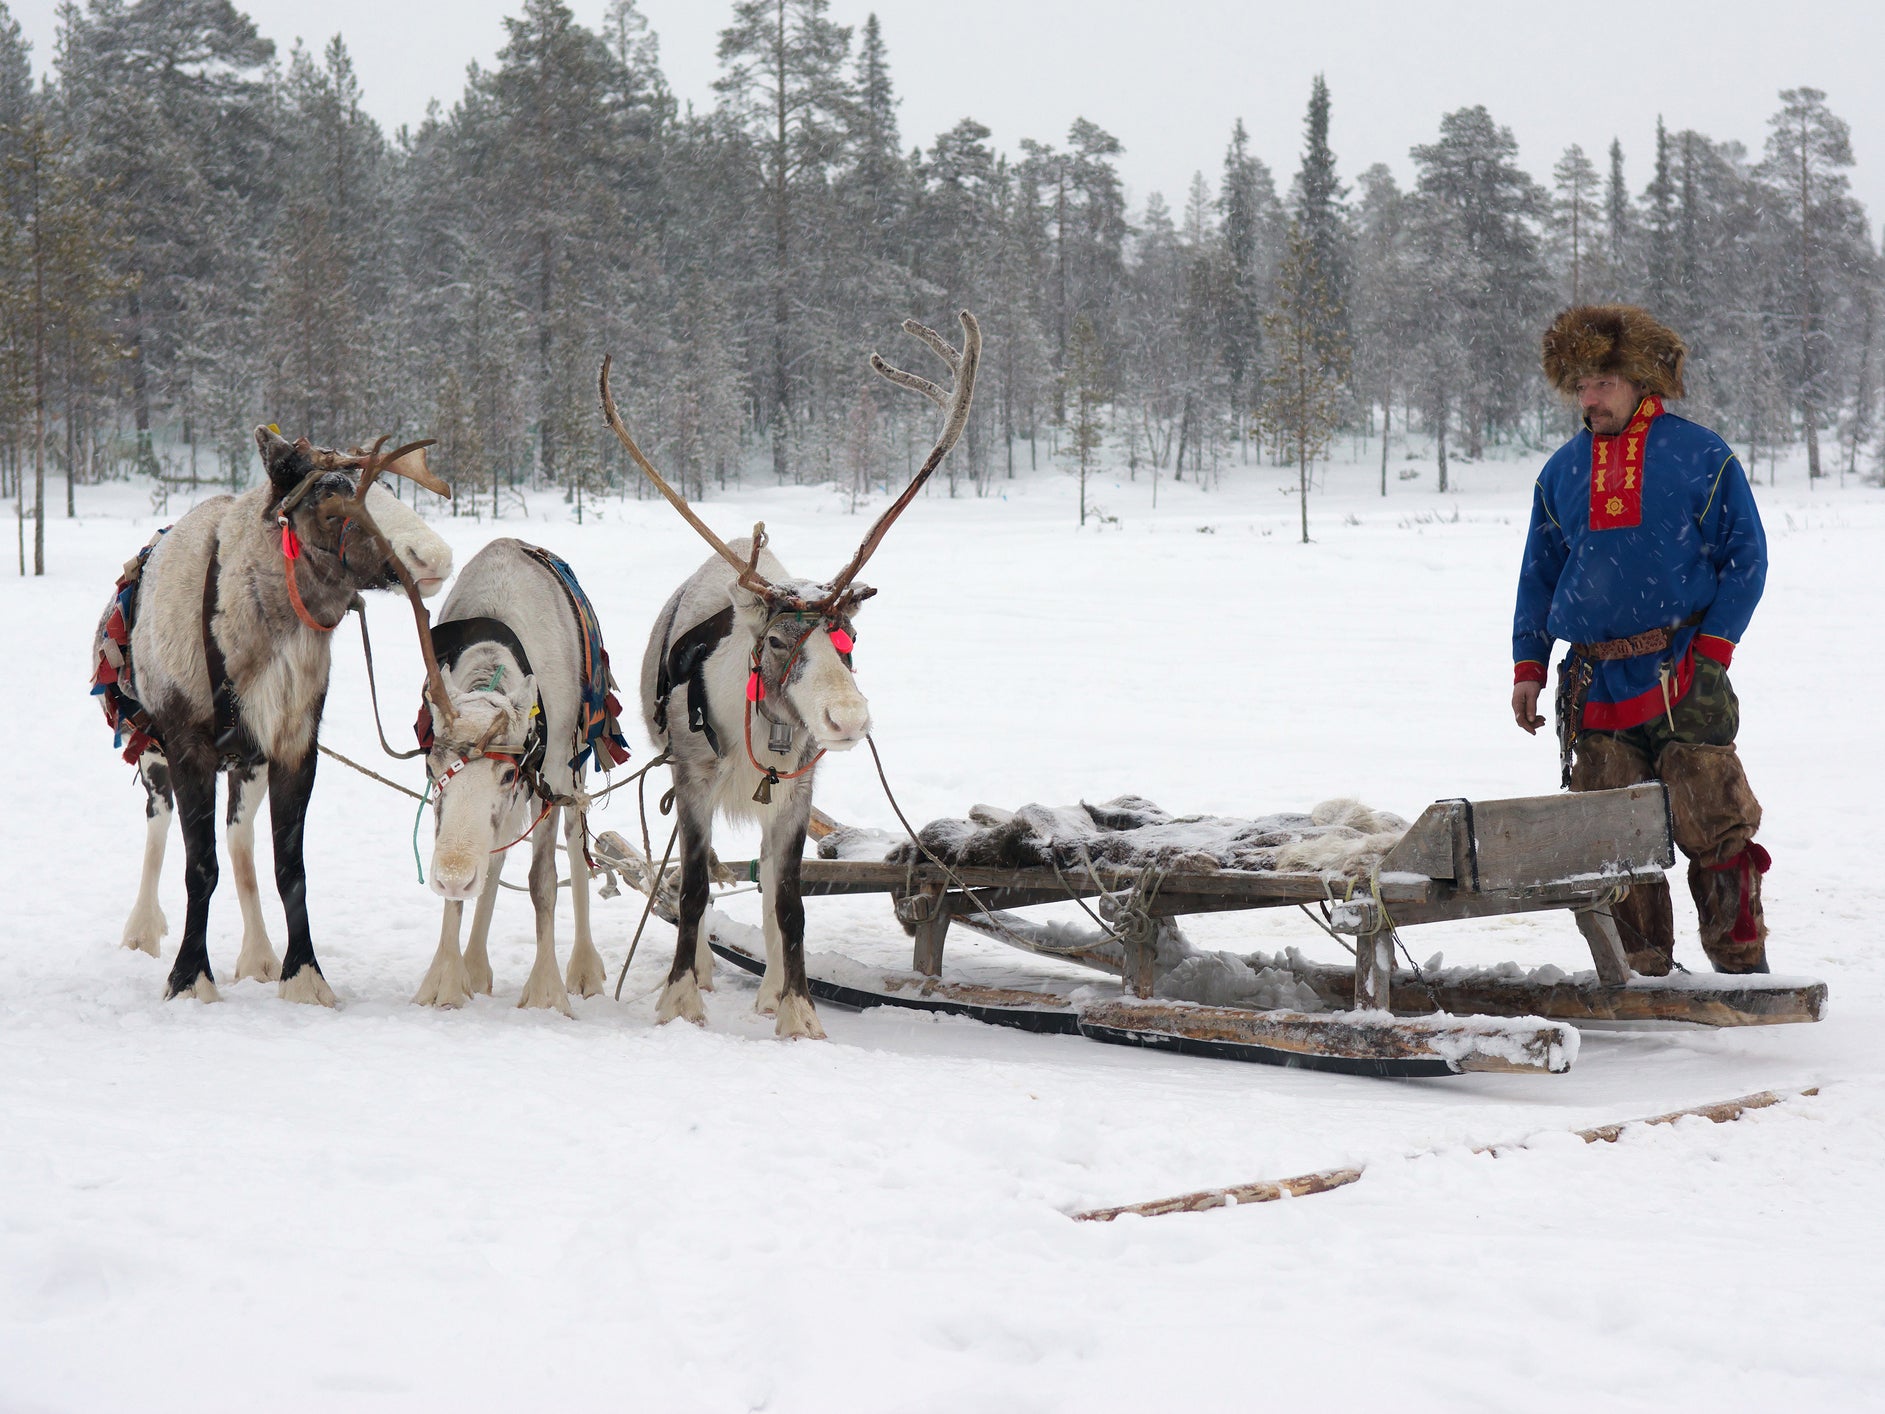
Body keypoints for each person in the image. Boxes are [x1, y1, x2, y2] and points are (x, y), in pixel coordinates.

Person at [1511, 305, 1770, 975]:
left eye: (1599, 382)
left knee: (1711, 824)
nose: (1586, 398)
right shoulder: (1560, 471)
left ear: (1636, 381)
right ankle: (1641, 981)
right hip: (1593, 682)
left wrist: (1712, 651)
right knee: (1611, 840)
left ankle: (1743, 972)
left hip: (1681, 669)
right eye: (1578, 385)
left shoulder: (1698, 454)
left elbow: (1746, 557)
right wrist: (1528, 666)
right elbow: (1538, 578)